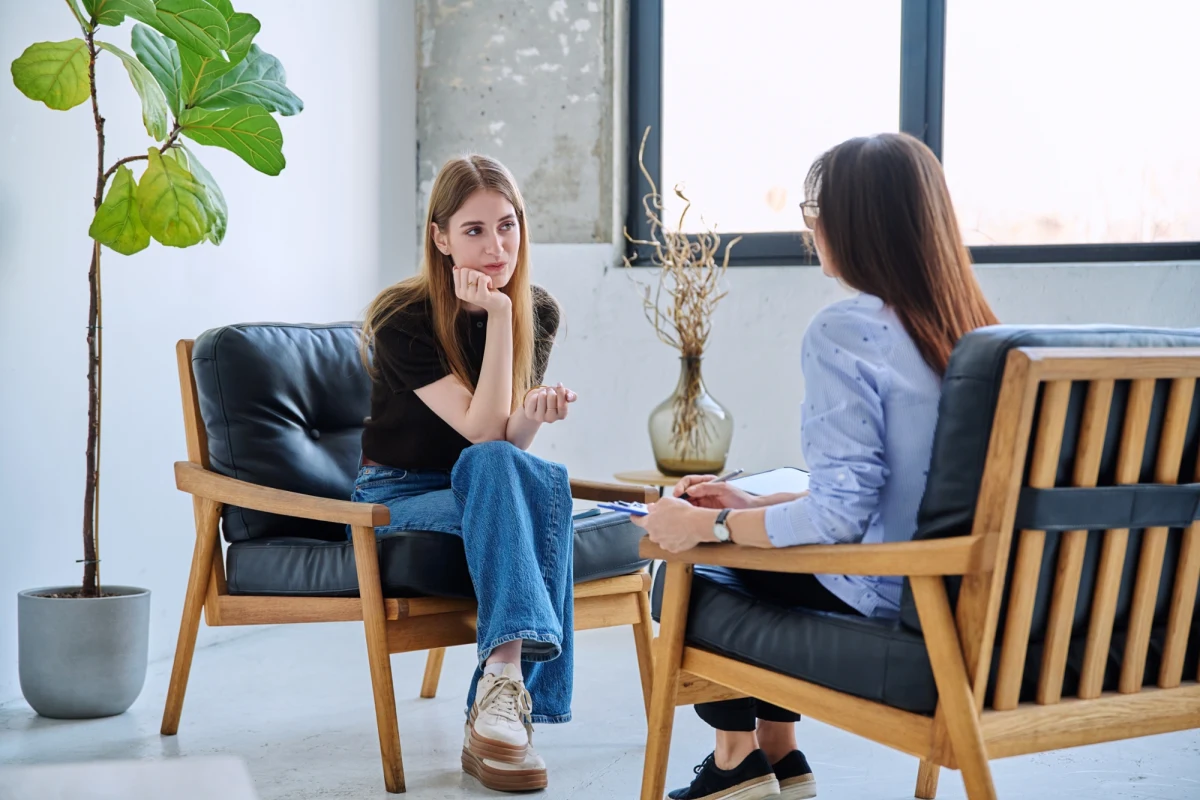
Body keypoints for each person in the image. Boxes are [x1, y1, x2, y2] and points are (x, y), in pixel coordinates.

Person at [633, 132, 999, 800]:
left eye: (817, 210)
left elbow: (837, 517)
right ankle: (781, 755)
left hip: (896, 594)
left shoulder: (848, 331)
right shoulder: (975, 335)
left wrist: (701, 530)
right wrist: (743, 508)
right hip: (973, 594)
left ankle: (735, 762)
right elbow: (889, 495)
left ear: (853, 225)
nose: (812, 227)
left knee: (685, 571)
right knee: (748, 520)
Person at [354, 154, 578, 793]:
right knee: (522, 477)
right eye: (474, 231)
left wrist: (533, 417)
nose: (496, 246)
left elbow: (503, 437)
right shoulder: (402, 320)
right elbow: (481, 432)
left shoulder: (541, 310)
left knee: (530, 473)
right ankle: (503, 691)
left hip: (479, 482)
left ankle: (499, 695)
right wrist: (504, 316)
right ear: (441, 237)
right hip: (397, 494)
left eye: (507, 226)